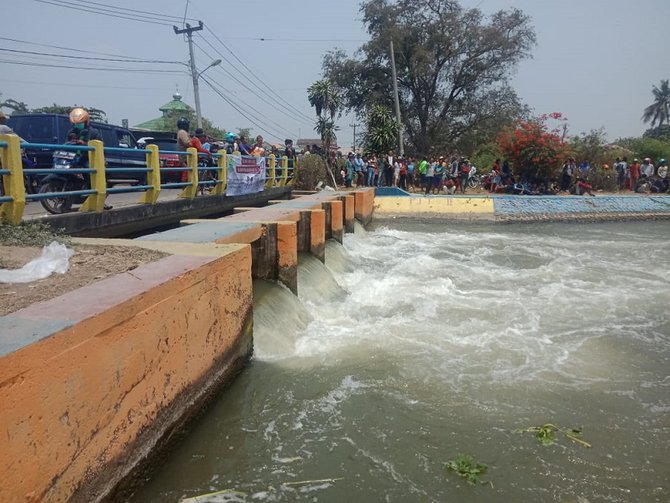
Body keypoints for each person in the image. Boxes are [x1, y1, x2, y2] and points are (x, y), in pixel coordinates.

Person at [67, 107, 112, 209]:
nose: (78, 126)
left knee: (92, 173)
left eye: (80, 123)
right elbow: (66, 144)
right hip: (74, 157)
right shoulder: (71, 133)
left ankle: (99, 198)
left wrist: (84, 143)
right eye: (76, 124)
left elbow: (101, 146)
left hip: (88, 158)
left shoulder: (94, 132)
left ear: (86, 121)